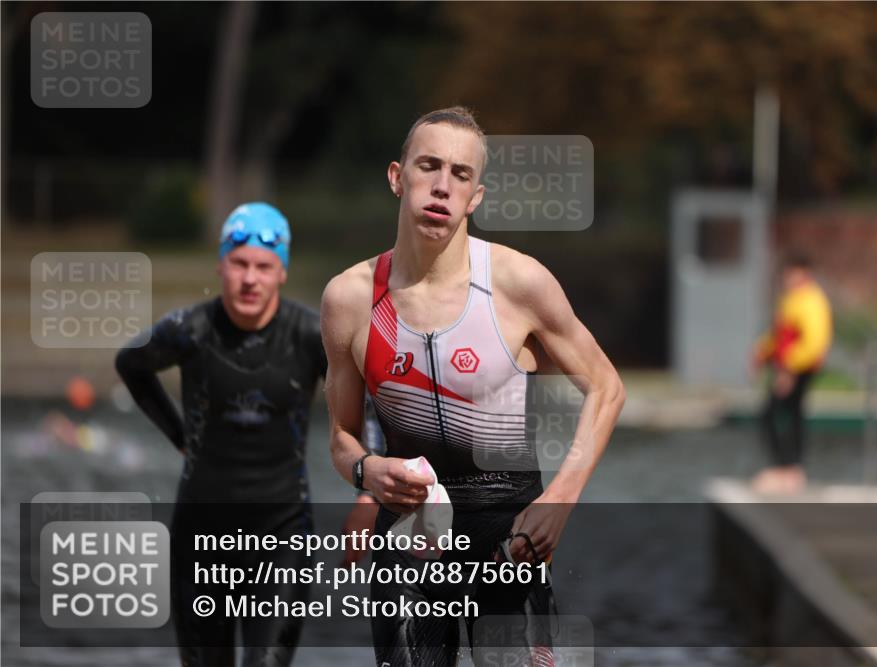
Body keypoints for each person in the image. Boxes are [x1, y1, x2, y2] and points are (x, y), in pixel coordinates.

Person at [320, 106, 625, 667]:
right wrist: (366, 471)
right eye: (429, 166)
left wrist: (560, 500)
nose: (442, 186)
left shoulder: (518, 283)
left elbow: (606, 387)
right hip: (408, 540)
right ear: (397, 177)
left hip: (510, 539)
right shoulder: (350, 299)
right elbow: (341, 436)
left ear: (475, 197)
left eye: (460, 174)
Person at [115, 202, 381, 667]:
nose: (250, 279)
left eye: (263, 266)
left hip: (281, 538)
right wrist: (179, 435)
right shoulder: (190, 330)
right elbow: (130, 364)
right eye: (239, 263)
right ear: (221, 265)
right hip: (200, 540)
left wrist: (367, 496)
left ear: (282, 272)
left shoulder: (310, 335)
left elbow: (370, 405)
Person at [750, 254, 832, 494]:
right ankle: (789, 468)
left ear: (804, 272)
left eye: (792, 273)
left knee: (774, 413)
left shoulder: (811, 300)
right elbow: (781, 334)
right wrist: (761, 352)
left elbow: (814, 341)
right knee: (789, 413)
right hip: (788, 366)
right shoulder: (792, 299)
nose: (787, 278)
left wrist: (790, 369)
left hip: (798, 368)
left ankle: (787, 468)